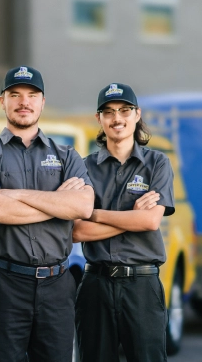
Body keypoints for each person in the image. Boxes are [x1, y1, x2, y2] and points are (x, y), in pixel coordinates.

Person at [0, 65, 94, 362]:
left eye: (32, 95)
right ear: (3, 100)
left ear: (42, 101)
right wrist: (58, 203)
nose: (24, 101)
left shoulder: (66, 155)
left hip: (57, 284)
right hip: (3, 282)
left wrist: (16, 195)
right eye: (15, 94)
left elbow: (83, 207)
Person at [73, 83, 175, 362]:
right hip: (95, 284)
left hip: (141, 286)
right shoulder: (83, 167)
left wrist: (95, 214)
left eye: (124, 110)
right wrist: (133, 217)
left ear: (137, 114)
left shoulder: (157, 164)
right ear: (99, 119)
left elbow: (151, 221)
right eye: (108, 112)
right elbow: (78, 231)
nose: (117, 118)